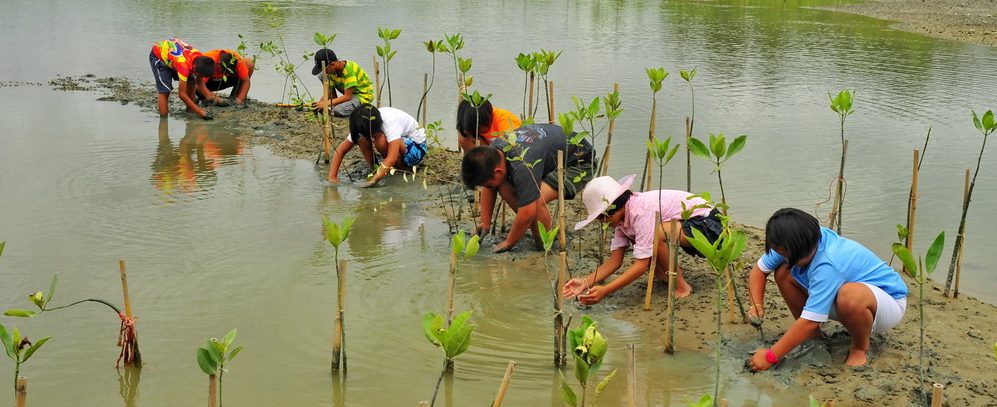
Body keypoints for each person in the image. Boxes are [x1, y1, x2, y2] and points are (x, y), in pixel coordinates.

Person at [745, 208, 908, 371]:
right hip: (842, 299)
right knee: (783, 272)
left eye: (784, 254)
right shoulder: (799, 238)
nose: (782, 257)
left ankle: (860, 348)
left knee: (850, 295)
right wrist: (756, 305)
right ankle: (812, 337)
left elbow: (809, 321)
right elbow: (759, 271)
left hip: (886, 305)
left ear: (796, 249)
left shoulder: (828, 263)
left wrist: (770, 356)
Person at [562, 175, 721, 304]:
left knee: (656, 234)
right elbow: (615, 261)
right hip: (685, 225)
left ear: (613, 209)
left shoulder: (640, 211)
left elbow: (641, 266)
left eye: (604, 217)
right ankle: (664, 276)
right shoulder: (622, 221)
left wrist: (607, 290)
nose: (603, 222)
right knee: (645, 237)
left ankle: (681, 287)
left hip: (708, 225)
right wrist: (585, 281)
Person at [461, 124, 594, 253]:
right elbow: (489, 188)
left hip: (579, 163)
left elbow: (528, 212)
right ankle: (537, 230)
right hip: (550, 157)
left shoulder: (522, 166)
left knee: (535, 202)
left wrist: (509, 242)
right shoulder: (494, 150)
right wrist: (485, 223)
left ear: (499, 171)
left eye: (488, 184)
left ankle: (545, 245)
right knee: (504, 188)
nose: (488, 188)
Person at [328, 104, 427, 187]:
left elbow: (392, 157)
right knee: (361, 139)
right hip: (400, 144)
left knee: (382, 142)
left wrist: (372, 181)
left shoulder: (390, 122)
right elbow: (340, 151)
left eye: (372, 135)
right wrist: (332, 177)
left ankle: (401, 170)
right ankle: (374, 168)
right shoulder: (363, 124)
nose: (370, 139)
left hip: (417, 147)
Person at [149, 38, 221, 120]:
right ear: (194, 68)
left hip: (174, 57)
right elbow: (181, 94)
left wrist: (213, 98)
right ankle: (163, 120)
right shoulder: (184, 66)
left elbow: (199, 81)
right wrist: (199, 111)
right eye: (200, 75)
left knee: (191, 80)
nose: (201, 78)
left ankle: (190, 110)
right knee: (165, 91)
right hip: (159, 57)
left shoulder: (201, 59)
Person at [311, 48, 374, 117]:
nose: (324, 71)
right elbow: (329, 92)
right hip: (349, 93)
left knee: (338, 110)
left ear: (332, 64)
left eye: (325, 69)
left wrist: (325, 104)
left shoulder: (348, 70)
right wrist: (319, 104)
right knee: (322, 76)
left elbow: (348, 96)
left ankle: (359, 109)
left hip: (361, 95)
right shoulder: (331, 72)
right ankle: (335, 106)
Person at [456, 99, 522, 152]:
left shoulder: (505, 121)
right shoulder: (472, 120)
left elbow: (512, 150)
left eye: (471, 129)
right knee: (463, 137)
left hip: (512, 152)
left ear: (479, 125)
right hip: (492, 150)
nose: (469, 131)